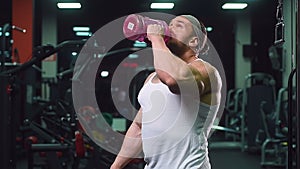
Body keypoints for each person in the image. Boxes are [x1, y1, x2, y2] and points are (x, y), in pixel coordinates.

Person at [111, 14, 222, 169]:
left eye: (179, 25)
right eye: (170, 24)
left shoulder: (207, 71)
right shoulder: (151, 78)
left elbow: (173, 80)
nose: (170, 28)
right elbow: (139, 127)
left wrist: (156, 38)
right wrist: (115, 167)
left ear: (193, 41)